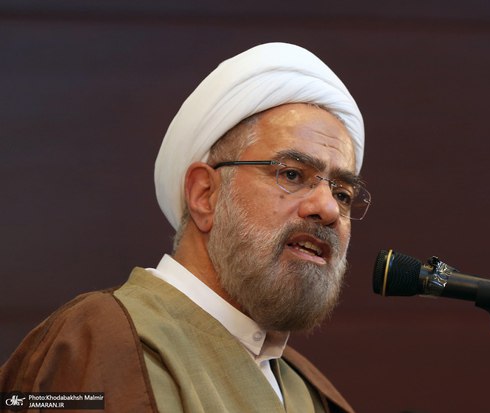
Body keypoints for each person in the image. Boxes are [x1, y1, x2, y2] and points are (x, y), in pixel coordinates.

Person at [0, 42, 370, 413]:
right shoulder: (106, 339)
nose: (328, 208)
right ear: (204, 194)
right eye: (291, 174)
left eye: (342, 194)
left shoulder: (305, 389)